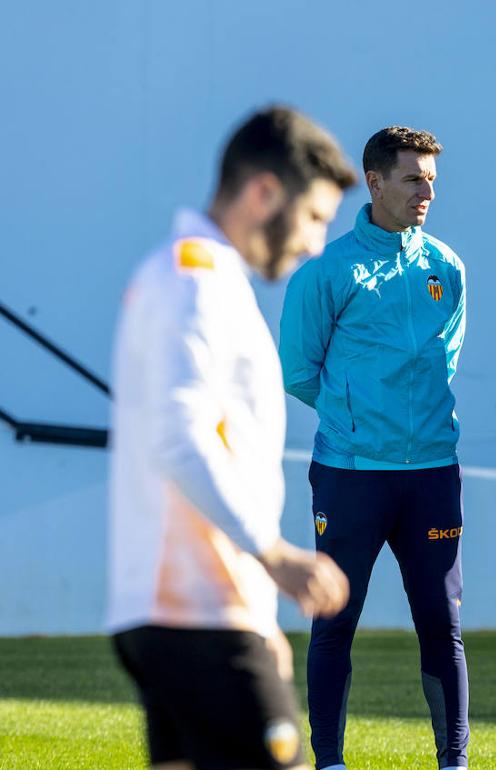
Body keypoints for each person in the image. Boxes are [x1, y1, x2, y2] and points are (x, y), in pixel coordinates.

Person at [108, 105, 355, 770]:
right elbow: (181, 439)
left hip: (189, 612)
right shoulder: (196, 282)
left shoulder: (184, 276)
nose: (313, 243)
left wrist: (255, 611)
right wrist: (274, 555)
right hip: (194, 613)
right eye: (312, 218)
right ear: (264, 193)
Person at [278, 125, 469, 770]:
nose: (426, 192)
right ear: (376, 181)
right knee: (334, 622)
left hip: (433, 475)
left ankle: (455, 760)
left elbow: (446, 359)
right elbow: (299, 372)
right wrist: (358, 425)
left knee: (443, 629)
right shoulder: (327, 271)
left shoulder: (447, 266)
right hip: (351, 475)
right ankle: (328, 761)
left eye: (433, 180)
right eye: (414, 178)